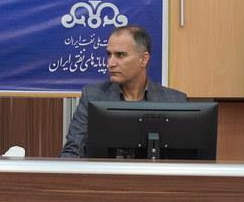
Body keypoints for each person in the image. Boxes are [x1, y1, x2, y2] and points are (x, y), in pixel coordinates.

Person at [61, 25, 187, 157]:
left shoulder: (174, 101)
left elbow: (184, 160)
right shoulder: (93, 96)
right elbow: (72, 151)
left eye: (120, 55)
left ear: (143, 59)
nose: (111, 63)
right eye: (109, 55)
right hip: (104, 170)